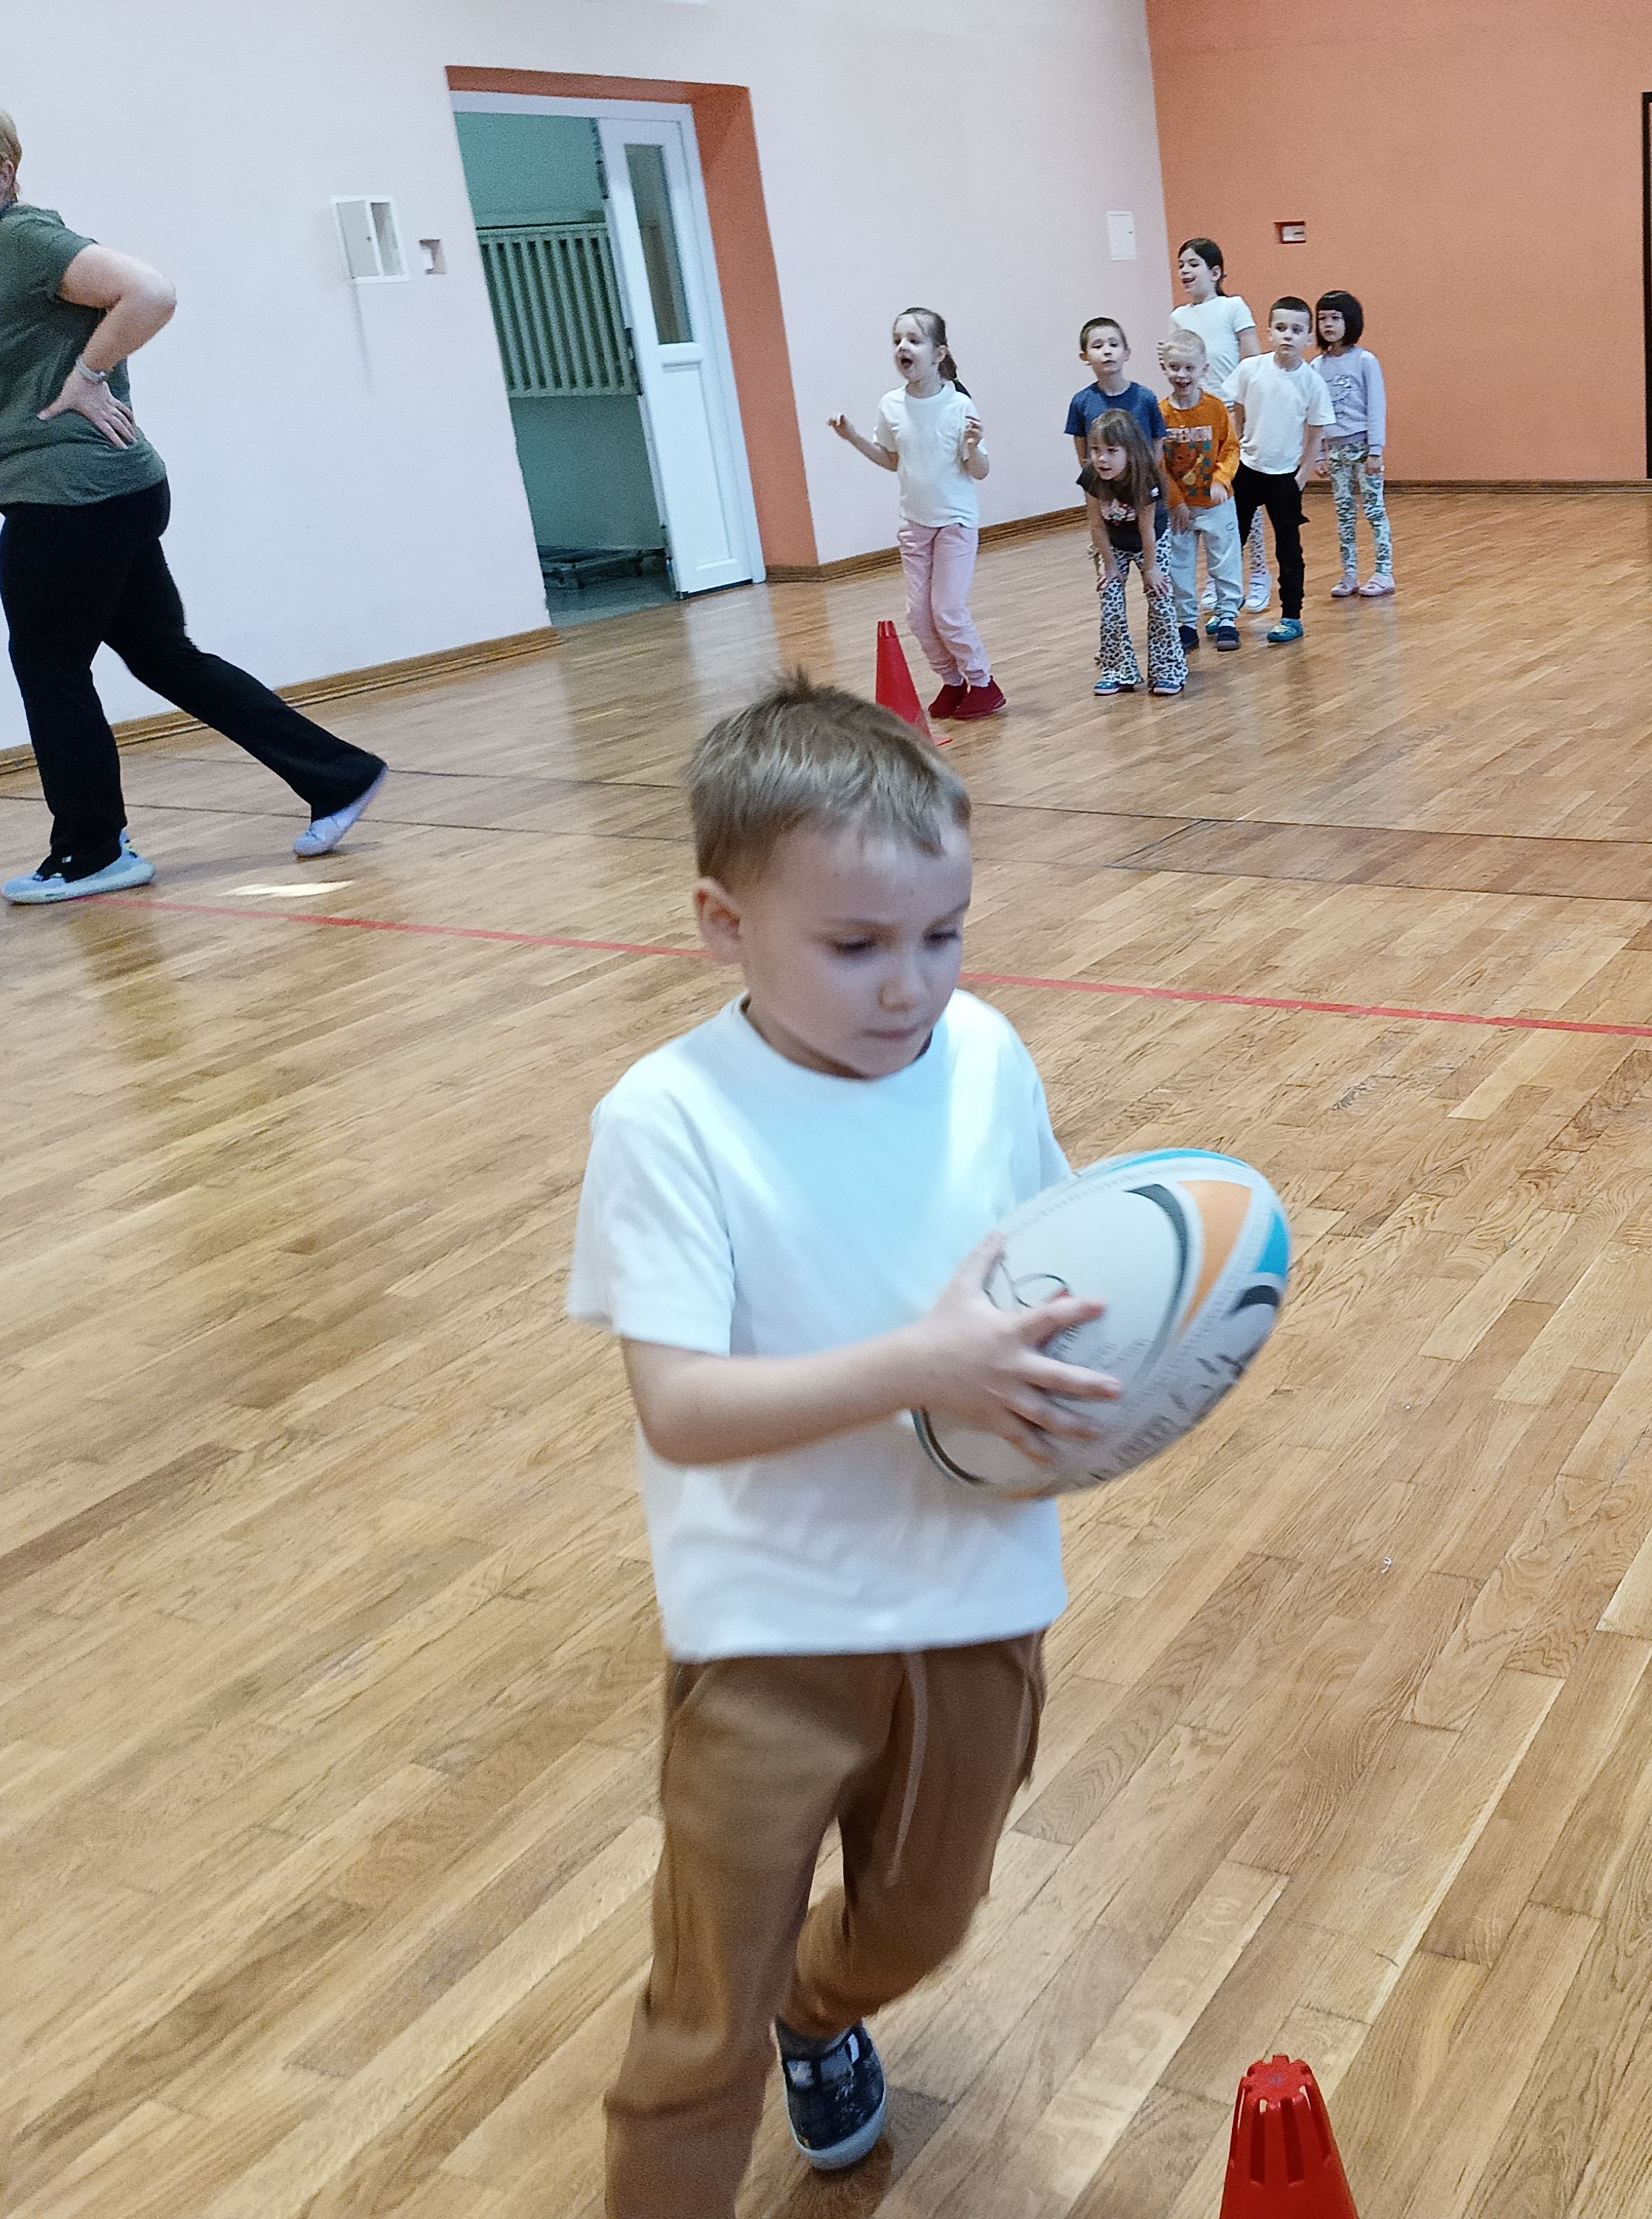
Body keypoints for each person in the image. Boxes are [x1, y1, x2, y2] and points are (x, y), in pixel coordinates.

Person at [568, 672, 1122, 2218]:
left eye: (944, 935)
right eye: (857, 945)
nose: (910, 986)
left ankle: (823, 2013)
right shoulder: (668, 1121)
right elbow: (681, 1408)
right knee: (702, 2022)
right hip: (770, 1632)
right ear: (722, 923)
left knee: (920, 1927)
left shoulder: (988, 1055)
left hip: (977, 1599)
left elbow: (1053, 1263)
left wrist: (1119, 1363)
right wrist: (920, 1370)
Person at [0, 109, 387, 903]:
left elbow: (150, 291)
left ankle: (92, 852)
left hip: (70, 499)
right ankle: (338, 774)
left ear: (4, 168)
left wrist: (89, 377)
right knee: (162, 654)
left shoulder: (25, 241)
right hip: (106, 493)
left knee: (50, 668)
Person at [825, 307, 1002, 721]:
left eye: (914, 340)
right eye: (897, 340)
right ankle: (953, 681)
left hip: (955, 523)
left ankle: (983, 683)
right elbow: (891, 460)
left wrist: (973, 447)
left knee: (948, 611)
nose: (903, 347)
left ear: (939, 353)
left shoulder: (959, 405)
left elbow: (980, 471)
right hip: (915, 524)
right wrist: (852, 437)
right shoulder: (890, 405)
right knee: (919, 617)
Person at [1171, 238, 1274, 612]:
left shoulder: (1233, 307)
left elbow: (1254, 360)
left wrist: (1250, 414)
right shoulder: (1179, 317)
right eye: (1181, 264)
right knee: (1203, 504)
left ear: (1215, 272)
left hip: (1229, 413)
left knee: (1241, 497)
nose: (1185, 271)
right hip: (1195, 419)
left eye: (1193, 264)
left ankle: (1258, 573)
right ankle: (1217, 579)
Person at [1226, 299, 1333, 646]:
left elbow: (1316, 433)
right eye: (1281, 328)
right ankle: (1226, 611)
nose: (1288, 335)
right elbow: (1236, 408)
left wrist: (1301, 476)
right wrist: (1238, 448)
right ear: (1269, 332)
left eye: (1297, 330)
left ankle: (1291, 616)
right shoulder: (1251, 369)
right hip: (1247, 470)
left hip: (1285, 478)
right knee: (1232, 542)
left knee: (1289, 549)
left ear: (1308, 338)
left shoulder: (1312, 383)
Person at [1077, 411, 1187, 696]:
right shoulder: (1091, 476)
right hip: (1113, 543)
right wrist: (1109, 566)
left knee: (1160, 599)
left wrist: (1151, 569)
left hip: (1150, 542)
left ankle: (1168, 669)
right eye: (1096, 450)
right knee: (1110, 600)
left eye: (1112, 451)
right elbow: (1096, 524)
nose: (1102, 459)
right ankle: (1118, 670)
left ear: (1131, 451)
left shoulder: (1146, 478)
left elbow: (1147, 529)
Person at [1155, 333, 1244, 654]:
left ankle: (1227, 617)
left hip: (1216, 504)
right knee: (1179, 565)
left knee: (1225, 560)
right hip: (1180, 509)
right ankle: (1186, 623)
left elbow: (1231, 448)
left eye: (1189, 368)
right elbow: (1158, 463)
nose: (1181, 375)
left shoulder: (1215, 409)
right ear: (1164, 367)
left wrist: (1221, 479)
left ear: (1204, 369)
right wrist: (1175, 501)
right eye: (1174, 367)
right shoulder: (1161, 413)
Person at [1312, 290, 1392, 598]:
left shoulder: (1365, 361)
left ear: (1350, 321)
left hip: (1363, 448)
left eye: (1335, 318)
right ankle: (1349, 574)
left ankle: (1384, 572)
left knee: (1374, 510)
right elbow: (1315, 415)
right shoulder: (1316, 367)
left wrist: (1375, 450)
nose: (1328, 324)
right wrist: (1320, 453)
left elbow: (1376, 407)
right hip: (1336, 450)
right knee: (1344, 513)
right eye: (1323, 319)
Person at [1061, 317, 1165, 485]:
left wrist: (1149, 478)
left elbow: (1157, 440)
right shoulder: (1081, 402)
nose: (1107, 351)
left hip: (1142, 486)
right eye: (1098, 346)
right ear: (1085, 356)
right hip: (1104, 487)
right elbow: (1082, 446)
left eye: (1114, 345)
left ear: (1127, 353)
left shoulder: (1146, 398)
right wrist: (1095, 483)